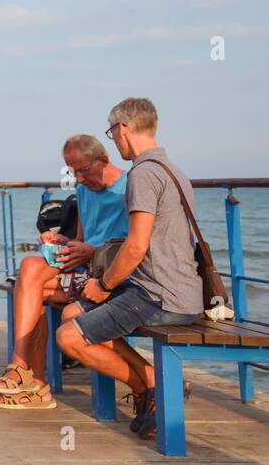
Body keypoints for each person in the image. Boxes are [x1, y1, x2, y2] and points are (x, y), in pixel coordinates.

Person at [56, 98, 204, 439]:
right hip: (167, 287)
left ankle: (154, 385)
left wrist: (104, 285)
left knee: (69, 337)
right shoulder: (170, 169)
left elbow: (135, 246)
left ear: (123, 129)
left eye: (112, 133)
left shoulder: (143, 174)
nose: (114, 140)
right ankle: (154, 385)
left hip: (159, 295)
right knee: (72, 314)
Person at [0, 135, 127, 410]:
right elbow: (84, 238)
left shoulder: (130, 188)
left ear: (104, 160)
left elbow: (135, 245)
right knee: (29, 268)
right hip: (85, 266)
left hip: (111, 275)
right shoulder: (85, 191)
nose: (79, 179)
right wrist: (61, 242)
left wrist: (90, 250)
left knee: (31, 286)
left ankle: (32, 380)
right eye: (73, 172)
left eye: (83, 170)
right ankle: (25, 371)